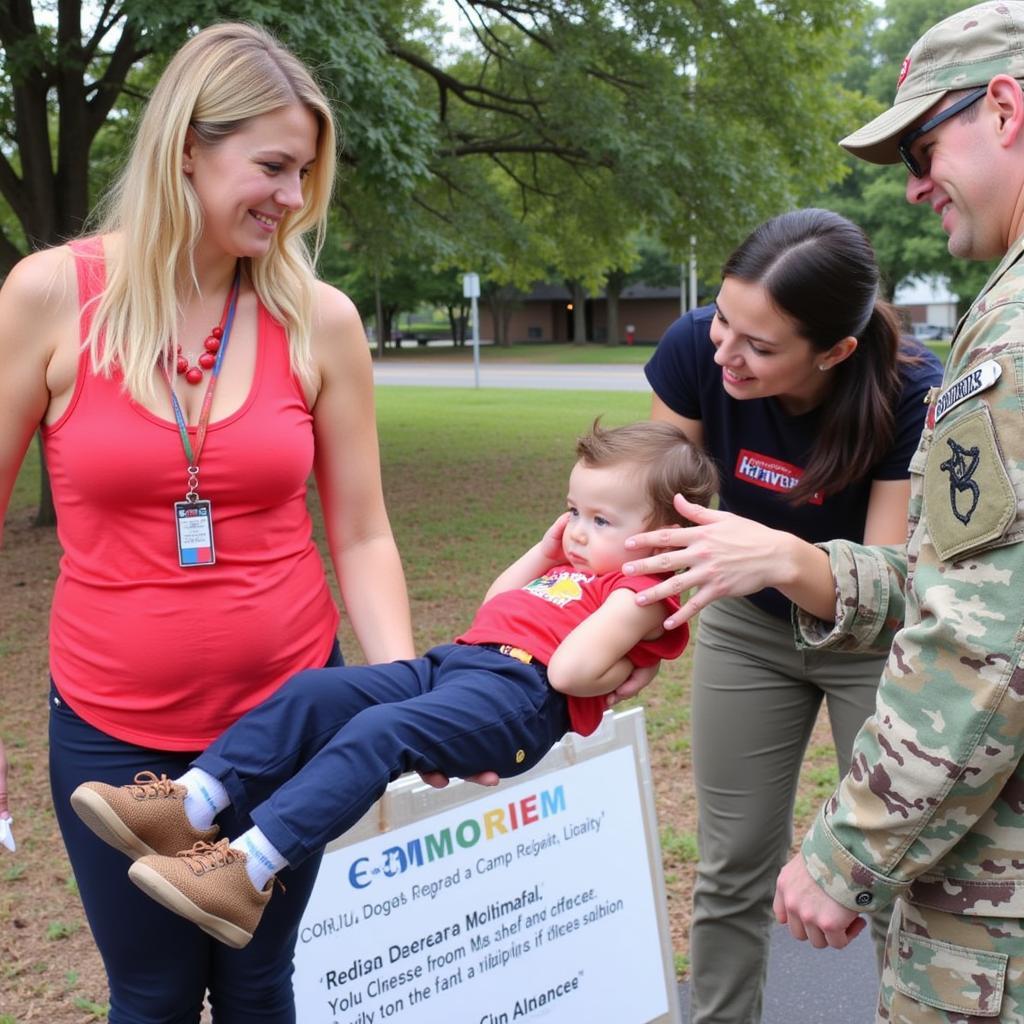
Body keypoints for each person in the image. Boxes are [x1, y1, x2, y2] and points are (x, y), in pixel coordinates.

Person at [0, 23, 416, 1024]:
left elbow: (360, 533)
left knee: (257, 982)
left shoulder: (320, 319)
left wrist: (397, 694)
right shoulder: (53, 298)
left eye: (305, 173)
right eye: (272, 165)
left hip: (287, 733)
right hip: (113, 743)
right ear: (189, 143)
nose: (292, 196)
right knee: (149, 991)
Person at [68, 421, 717, 949]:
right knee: (316, 692)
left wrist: (617, 662)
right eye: (572, 510)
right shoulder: (578, 564)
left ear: (667, 539)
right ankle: (191, 803)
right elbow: (495, 607)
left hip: (518, 703)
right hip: (462, 666)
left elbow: (569, 672)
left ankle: (249, 870)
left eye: (601, 521)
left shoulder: (642, 593)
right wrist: (549, 550)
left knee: (380, 732)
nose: (576, 530)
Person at [621, 208, 944, 1023]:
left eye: (759, 346)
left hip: (871, 645)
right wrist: (615, 631)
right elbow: (652, 519)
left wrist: (782, 555)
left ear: (834, 350)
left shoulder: (914, 391)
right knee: (729, 865)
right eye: (724, 321)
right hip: (747, 629)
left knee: (890, 874)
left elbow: (893, 587)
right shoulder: (697, 349)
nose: (724, 352)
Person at [770, 4, 1024, 1021]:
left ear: (1005, 107)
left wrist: (843, 853)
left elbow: (984, 640)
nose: (915, 185)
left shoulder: (1010, 329)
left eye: (923, 146)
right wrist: (799, 567)